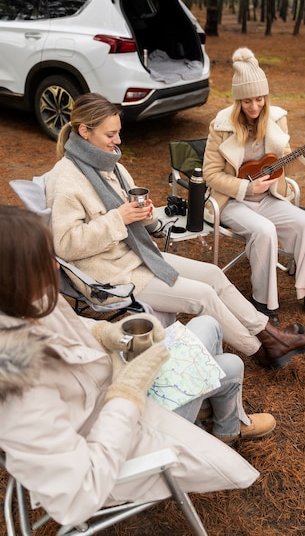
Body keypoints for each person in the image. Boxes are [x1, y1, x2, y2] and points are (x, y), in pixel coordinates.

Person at [0, 205, 269, 527]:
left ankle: (224, 424)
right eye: (43, 259)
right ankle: (226, 425)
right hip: (121, 441)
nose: (56, 265)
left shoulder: (24, 303)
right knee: (228, 363)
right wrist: (127, 393)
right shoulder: (18, 389)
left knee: (210, 327)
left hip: (108, 398)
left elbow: (66, 326)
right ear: (13, 277)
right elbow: (79, 494)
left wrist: (106, 331)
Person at [45, 92, 305, 370]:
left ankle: (270, 333)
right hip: (109, 273)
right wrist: (119, 218)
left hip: (138, 254)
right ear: (84, 131)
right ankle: (261, 350)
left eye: (118, 133)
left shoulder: (111, 166)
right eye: (110, 135)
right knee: (202, 296)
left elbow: (131, 216)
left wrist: (145, 215)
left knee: (213, 274)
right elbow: (65, 245)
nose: (118, 141)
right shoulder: (67, 180)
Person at [203, 47, 305, 327]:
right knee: (264, 230)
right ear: (237, 102)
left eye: (259, 99)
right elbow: (210, 174)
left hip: (267, 197)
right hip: (233, 200)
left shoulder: (276, 119)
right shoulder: (220, 126)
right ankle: (264, 303)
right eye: (247, 101)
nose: (255, 107)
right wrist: (246, 189)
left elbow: (283, 164)